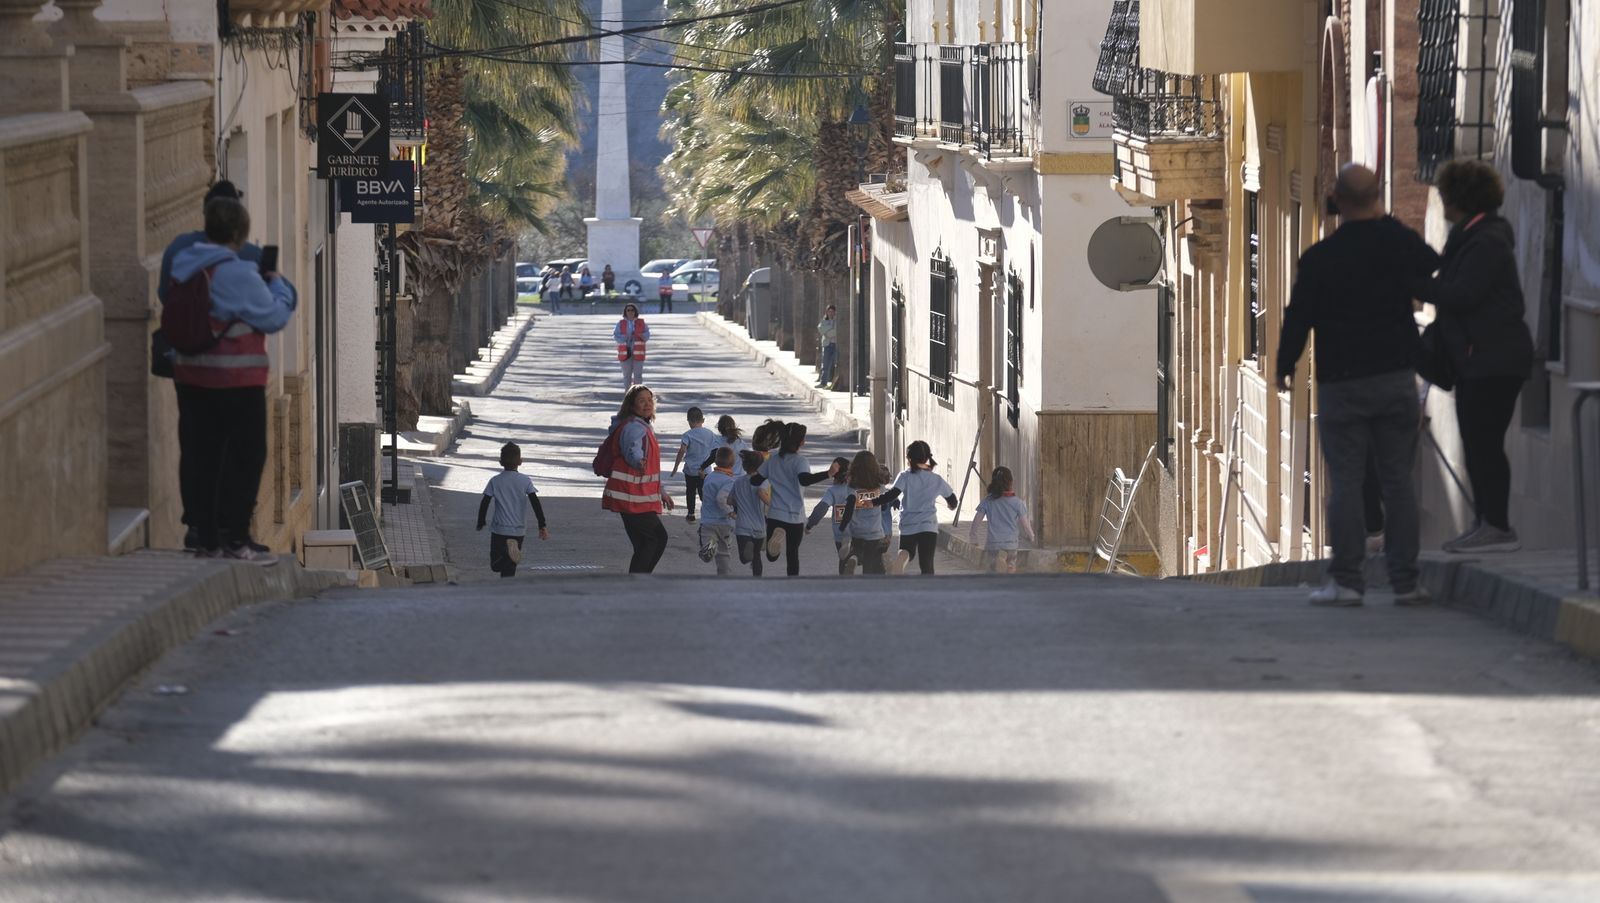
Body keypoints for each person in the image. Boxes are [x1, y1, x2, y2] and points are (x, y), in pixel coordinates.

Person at [1276, 163, 1439, 607]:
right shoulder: (1395, 243)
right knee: (1397, 482)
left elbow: (1298, 316)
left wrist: (1285, 365)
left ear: (1338, 201)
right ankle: (1406, 581)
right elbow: (1432, 264)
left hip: (1342, 384)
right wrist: (1386, 222)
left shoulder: (1320, 258)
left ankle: (1347, 581)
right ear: (1376, 199)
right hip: (1395, 378)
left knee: (1347, 482)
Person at [168, 196, 297, 563]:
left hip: (191, 376)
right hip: (236, 380)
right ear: (240, 233)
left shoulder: (183, 265)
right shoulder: (236, 273)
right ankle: (237, 538)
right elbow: (273, 317)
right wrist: (278, 286)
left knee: (201, 458)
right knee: (246, 456)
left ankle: (207, 539)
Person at [1421, 159, 1536, 554]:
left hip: (1494, 360)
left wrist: (1415, 287)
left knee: (1484, 443)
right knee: (1476, 443)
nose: (1442, 201)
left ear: (1461, 199)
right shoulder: (1470, 237)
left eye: (1445, 195)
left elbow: (1463, 294)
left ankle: (1497, 527)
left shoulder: (1486, 241)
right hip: (1481, 360)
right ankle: (1486, 522)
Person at [602, 385, 674, 573]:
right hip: (631, 496)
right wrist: (637, 460)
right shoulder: (634, 427)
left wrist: (661, 491)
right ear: (631, 405)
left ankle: (638, 582)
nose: (647, 404)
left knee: (644, 544)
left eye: (650, 400)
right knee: (657, 538)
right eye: (641, 401)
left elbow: (651, 468)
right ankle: (637, 583)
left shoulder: (641, 425)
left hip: (633, 496)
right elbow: (632, 449)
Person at [750, 422, 839, 576]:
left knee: (771, 556)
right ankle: (793, 583)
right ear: (801, 442)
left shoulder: (773, 460)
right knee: (793, 555)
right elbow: (804, 480)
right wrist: (828, 473)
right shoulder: (800, 461)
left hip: (775, 514)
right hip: (795, 516)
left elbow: (755, 480)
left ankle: (776, 541)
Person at [158, 180, 261, 305]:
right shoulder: (254, 256)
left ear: (205, 213)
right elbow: (276, 307)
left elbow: (164, 295)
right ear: (239, 215)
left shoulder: (178, 247)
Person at [880, 441, 957, 575]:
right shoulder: (936, 479)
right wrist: (951, 506)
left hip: (908, 525)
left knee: (906, 551)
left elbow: (891, 495)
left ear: (909, 459)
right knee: (927, 565)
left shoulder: (904, 476)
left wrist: (873, 502)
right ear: (927, 458)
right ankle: (927, 587)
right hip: (928, 526)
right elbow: (953, 501)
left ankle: (902, 558)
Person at [476, 442, 549, 578]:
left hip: (499, 529)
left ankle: (505, 554)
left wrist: (481, 521)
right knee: (509, 570)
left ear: (500, 462)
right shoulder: (525, 480)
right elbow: (535, 502)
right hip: (518, 530)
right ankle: (507, 582)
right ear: (520, 462)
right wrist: (542, 524)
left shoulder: (495, 481)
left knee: (495, 566)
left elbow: (485, 501)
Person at [969, 466, 1035, 574]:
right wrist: (1031, 536)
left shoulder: (988, 501)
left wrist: (973, 537)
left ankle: (997, 569)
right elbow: (1026, 524)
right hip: (1010, 544)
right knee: (1011, 567)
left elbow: (977, 520)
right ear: (1011, 482)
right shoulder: (1018, 503)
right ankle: (1009, 571)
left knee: (992, 571)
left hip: (993, 544)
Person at [837, 450, 892, 574]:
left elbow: (849, 509)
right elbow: (884, 507)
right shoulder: (879, 487)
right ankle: (870, 575)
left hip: (857, 531)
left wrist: (843, 526)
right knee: (871, 561)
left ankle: (854, 558)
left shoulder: (852, 488)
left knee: (858, 550)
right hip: (874, 532)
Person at [806, 456, 856, 575]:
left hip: (840, 532)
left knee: (843, 559)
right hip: (858, 529)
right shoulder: (856, 489)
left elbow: (821, 509)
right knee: (858, 554)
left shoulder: (833, 491)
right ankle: (855, 558)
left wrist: (809, 524)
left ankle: (845, 576)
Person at [672, 406, 720, 523]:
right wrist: (704, 466)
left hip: (690, 470)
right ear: (703, 420)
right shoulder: (710, 434)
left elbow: (682, 451)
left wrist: (676, 466)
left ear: (688, 421)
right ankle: (709, 513)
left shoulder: (687, 435)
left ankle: (691, 514)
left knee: (690, 491)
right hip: (705, 471)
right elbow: (716, 451)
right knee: (704, 492)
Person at [730, 449, 772, 576]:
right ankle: (757, 582)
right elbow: (761, 493)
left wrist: (740, 502)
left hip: (743, 525)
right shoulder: (764, 481)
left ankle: (747, 552)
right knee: (757, 556)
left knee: (744, 558)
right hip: (759, 526)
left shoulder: (738, 482)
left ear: (744, 466)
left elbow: (729, 500)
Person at [697, 447, 738, 575]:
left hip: (708, 520)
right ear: (732, 463)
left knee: (707, 538)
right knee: (724, 553)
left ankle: (707, 545)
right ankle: (723, 577)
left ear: (715, 461)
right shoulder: (730, 481)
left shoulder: (709, 477)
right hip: (724, 522)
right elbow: (721, 498)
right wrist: (730, 512)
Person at [615, 303, 649, 390]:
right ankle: (628, 393)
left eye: (632, 310)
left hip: (638, 353)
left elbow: (647, 335)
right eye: (628, 310)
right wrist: (624, 337)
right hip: (625, 353)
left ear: (635, 312)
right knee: (627, 376)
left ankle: (637, 394)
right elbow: (616, 336)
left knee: (638, 375)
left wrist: (642, 335)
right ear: (625, 312)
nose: (630, 312)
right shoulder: (620, 323)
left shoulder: (641, 323)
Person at [818, 304, 838, 388]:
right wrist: (830, 328)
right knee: (825, 365)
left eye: (832, 311)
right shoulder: (823, 321)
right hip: (827, 345)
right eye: (829, 311)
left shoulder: (836, 322)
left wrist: (827, 331)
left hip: (835, 345)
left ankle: (832, 381)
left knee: (835, 364)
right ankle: (823, 382)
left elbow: (835, 332)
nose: (831, 313)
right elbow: (820, 329)